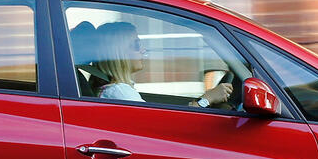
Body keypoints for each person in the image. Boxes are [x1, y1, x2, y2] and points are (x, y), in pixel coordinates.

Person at [92, 21, 233, 107]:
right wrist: (207, 99)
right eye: (136, 45)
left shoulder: (118, 91)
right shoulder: (119, 92)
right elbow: (161, 125)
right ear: (119, 53)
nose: (143, 50)